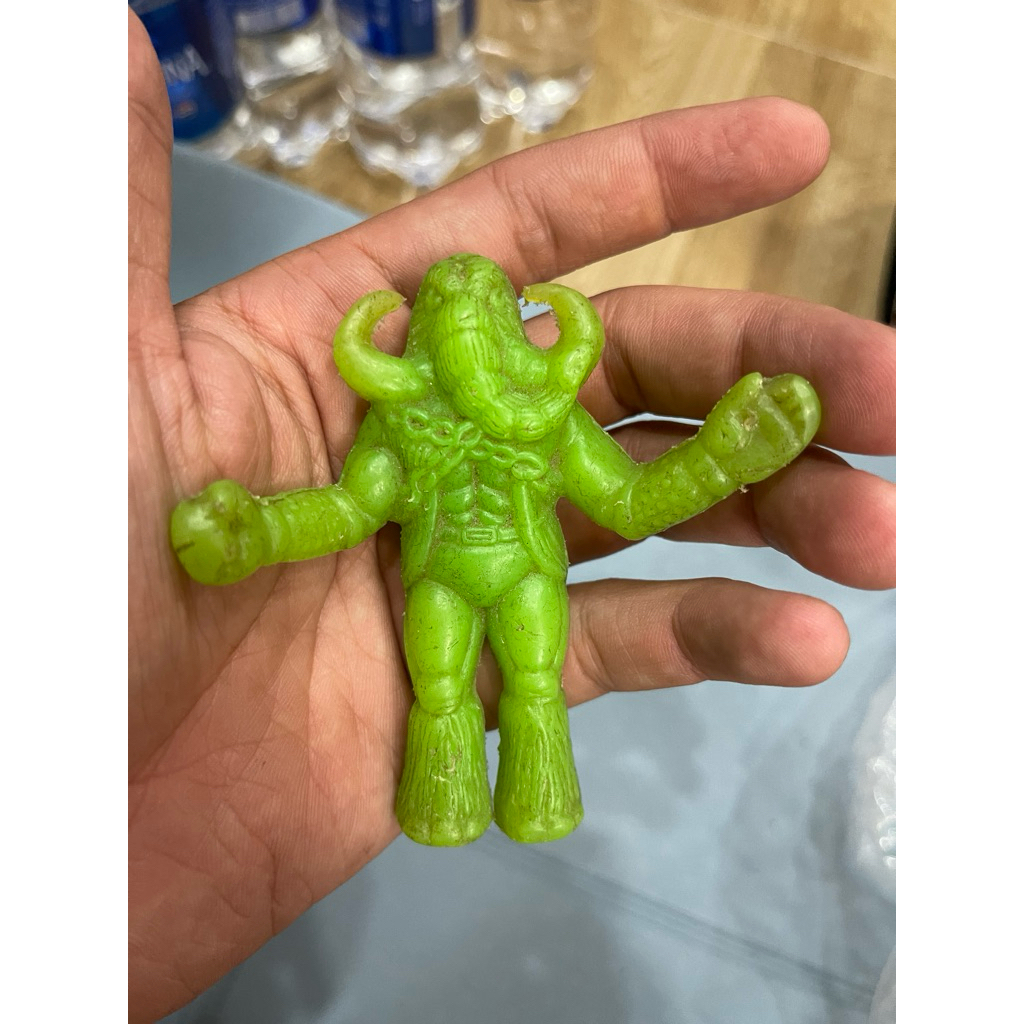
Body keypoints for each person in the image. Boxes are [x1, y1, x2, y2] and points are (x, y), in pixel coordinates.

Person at [128, 9, 895, 1023]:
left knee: (535, 685)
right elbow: (350, 507)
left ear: (518, 329)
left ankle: (541, 794)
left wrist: (725, 454)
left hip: (531, 571)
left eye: (482, 310)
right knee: (440, 692)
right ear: (416, 345)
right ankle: (440, 796)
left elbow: (629, 497)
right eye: (444, 316)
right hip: (439, 578)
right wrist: (261, 531)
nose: (463, 324)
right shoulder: (405, 426)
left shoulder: (547, 418)